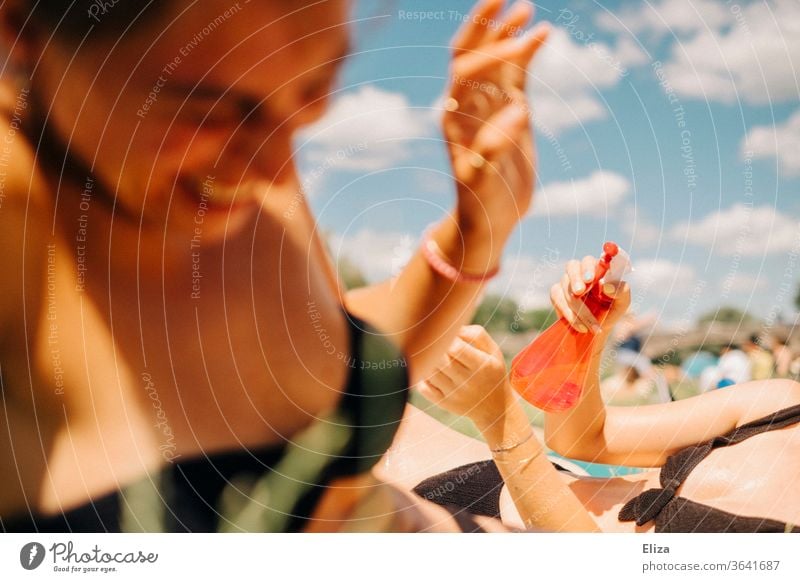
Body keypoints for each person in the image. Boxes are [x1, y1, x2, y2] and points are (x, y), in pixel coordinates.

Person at [0, 0, 549, 532]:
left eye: (313, 93)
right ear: (18, 34)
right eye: (210, 109)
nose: (277, 169)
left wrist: (475, 235)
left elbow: (335, 372)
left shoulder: (241, 185)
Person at [403, 255, 800, 532]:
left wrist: (498, 418)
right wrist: (587, 333)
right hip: (508, 482)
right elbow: (580, 438)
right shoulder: (780, 405)